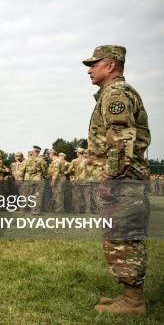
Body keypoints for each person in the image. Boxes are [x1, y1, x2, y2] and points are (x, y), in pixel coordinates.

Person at [83, 45, 150, 316]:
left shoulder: (115, 94)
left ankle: (133, 302)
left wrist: (111, 177)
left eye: (94, 64)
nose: (90, 69)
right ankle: (128, 295)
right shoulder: (112, 93)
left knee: (124, 236)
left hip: (123, 180)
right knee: (119, 235)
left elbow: (121, 140)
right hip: (125, 178)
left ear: (110, 65)